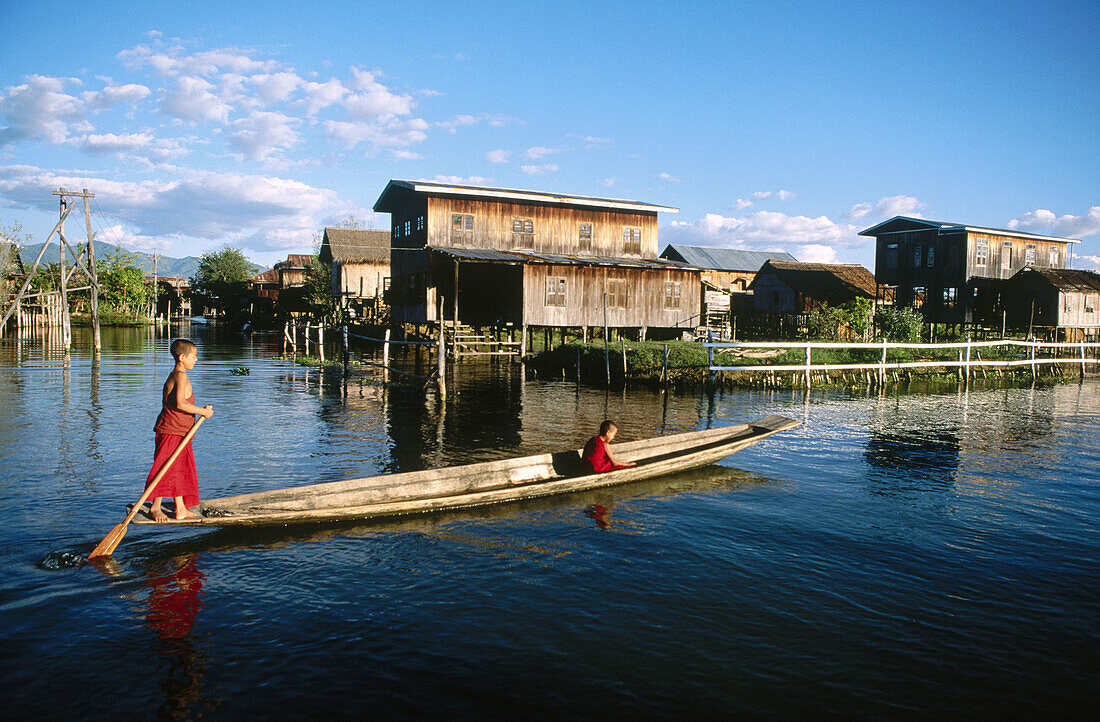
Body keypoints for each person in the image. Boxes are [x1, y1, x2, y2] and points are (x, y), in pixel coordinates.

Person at [146, 339, 214, 522]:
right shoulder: (180, 376)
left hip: (180, 431)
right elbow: (180, 403)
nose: (196, 360)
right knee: (164, 466)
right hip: (171, 430)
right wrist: (203, 412)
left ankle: (180, 508)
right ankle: (155, 507)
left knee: (179, 468)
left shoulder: (177, 374)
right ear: (182, 357)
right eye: (194, 356)